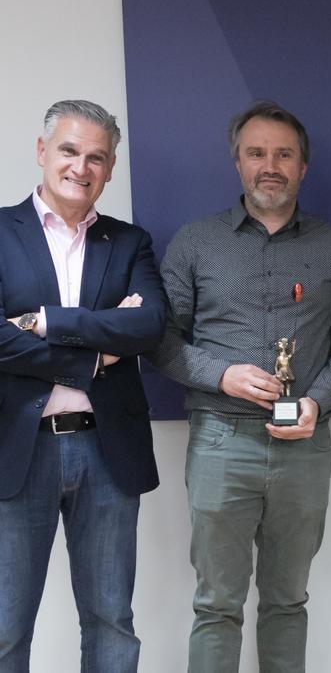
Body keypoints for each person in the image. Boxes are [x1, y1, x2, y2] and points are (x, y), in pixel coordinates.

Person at [149, 100, 331, 672]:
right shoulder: (195, 242)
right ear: (238, 163)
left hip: (304, 447)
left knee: (288, 602)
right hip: (221, 442)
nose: (270, 165)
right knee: (216, 604)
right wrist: (221, 375)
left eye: (283, 154)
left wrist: (317, 400)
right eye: (257, 153)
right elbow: (160, 340)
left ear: (303, 167)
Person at [0, 99, 166, 672]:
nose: (81, 167)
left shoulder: (129, 242)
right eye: (70, 151)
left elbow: (148, 325)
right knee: (4, 628)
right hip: (18, 452)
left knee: (111, 623)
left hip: (107, 450)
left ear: (111, 168)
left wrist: (46, 320)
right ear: (43, 152)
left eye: (97, 157)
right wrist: (93, 358)